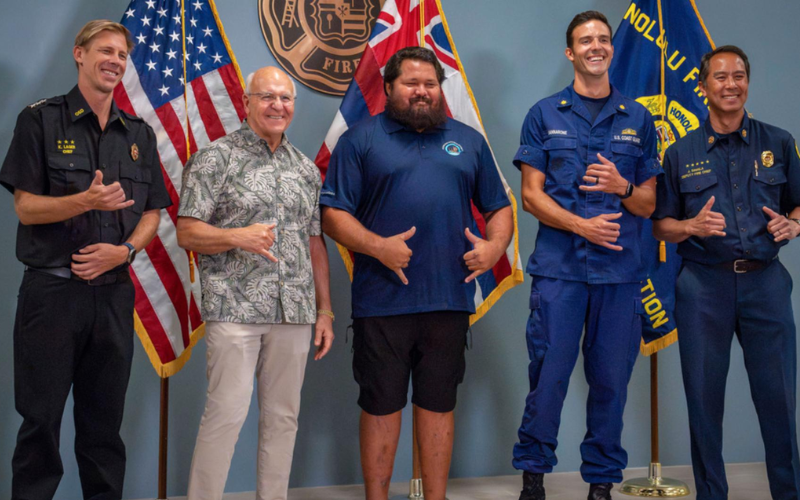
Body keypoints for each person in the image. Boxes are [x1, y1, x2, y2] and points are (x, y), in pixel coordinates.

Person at [320, 46, 513, 500]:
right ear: (389, 87)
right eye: (411, 83)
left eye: (430, 84)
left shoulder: (468, 140)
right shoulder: (360, 140)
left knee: (439, 405)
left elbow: (499, 207)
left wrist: (494, 247)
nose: (422, 91)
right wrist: (378, 247)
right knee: (381, 406)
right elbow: (331, 215)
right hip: (381, 300)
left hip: (448, 299)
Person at [0, 20, 171, 500]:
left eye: (122, 54)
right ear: (79, 54)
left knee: (104, 427)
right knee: (40, 424)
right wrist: (86, 201)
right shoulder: (40, 120)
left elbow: (153, 212)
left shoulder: (139, 134)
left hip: (113, 296)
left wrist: (126, 251)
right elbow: (25, 207)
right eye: (105, 51)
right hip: (52, 295)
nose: (115, 61)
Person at [512, 11, 661, 500]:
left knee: (611, 383)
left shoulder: (638, 118)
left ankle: (601, 484)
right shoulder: (544, 114)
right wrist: (580, 226)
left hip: (619, 274)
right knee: (548, 377)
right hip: (560, 272)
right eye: (585, 40)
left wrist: (622, 187)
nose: (595, 46)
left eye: (602, 39)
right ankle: (534, 477)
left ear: (611, 49)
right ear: (570, 52)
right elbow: (530, 196)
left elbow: (648, 204)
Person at [177, 66, 334, 500]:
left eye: (285, 98)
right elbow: (186, 232)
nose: (277, 105)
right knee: (225, 414)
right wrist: (236, 237)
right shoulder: (215, 158)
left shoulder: (305, 169)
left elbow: (314, 242)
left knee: (284, 418)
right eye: (267, 97)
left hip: (294, 310)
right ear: (246, 102)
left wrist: (325, 309)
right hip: (234, 308)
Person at [652, 45, 800, 500]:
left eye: (739, 76)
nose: (731, 84)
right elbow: (661, 225)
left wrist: (794, 224)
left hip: (765, 283)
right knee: (703, 403)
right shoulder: (680, 152)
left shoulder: (778, 142)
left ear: (747, 83)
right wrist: (690, 227)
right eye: (720, 77)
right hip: (703, 287)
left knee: (779, 401)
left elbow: (799, 204)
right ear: (703, 87)